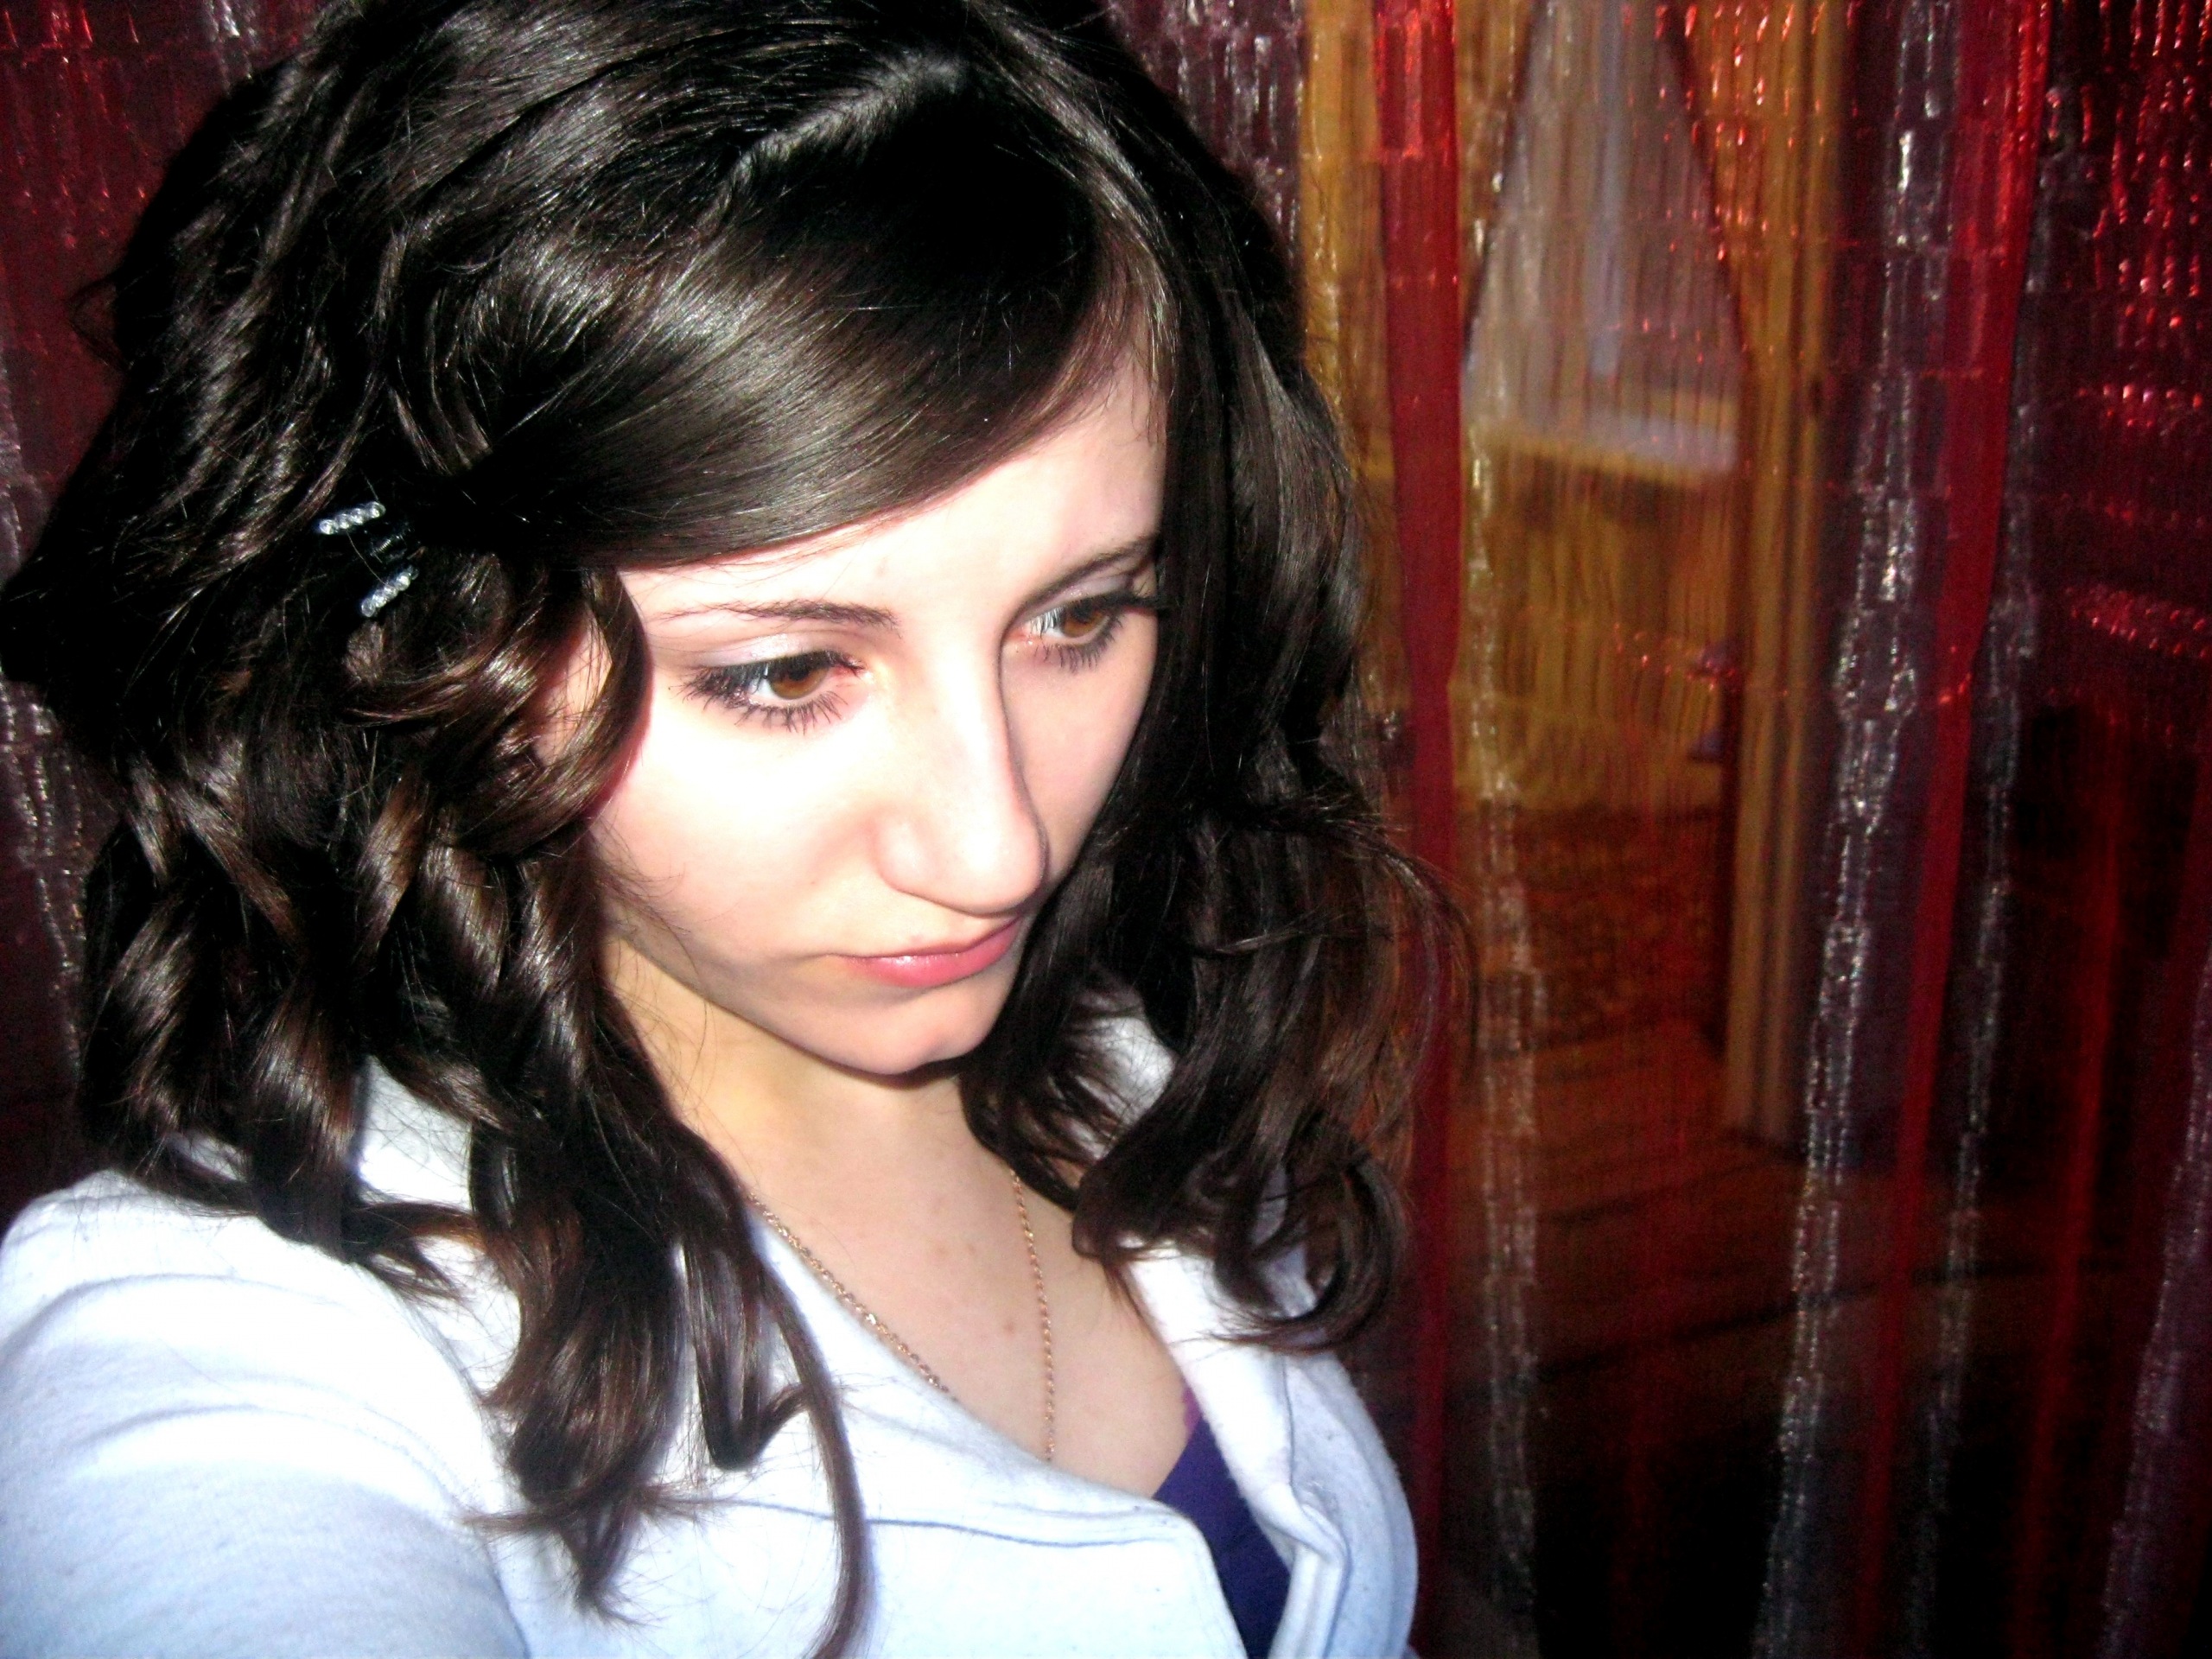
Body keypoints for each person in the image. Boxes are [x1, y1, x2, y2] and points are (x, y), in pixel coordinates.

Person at [0, 0, 1453, 1653]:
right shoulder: (241, 1337)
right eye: (784, 673)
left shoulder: (1123, 1045)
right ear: (426, 647)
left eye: (1079, 616)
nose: (999, 851)